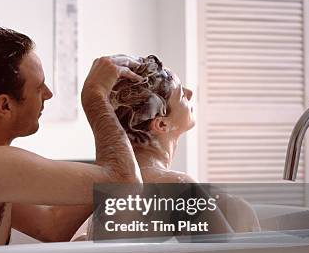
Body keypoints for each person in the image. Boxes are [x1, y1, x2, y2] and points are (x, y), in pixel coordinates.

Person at [0, 27, 143, 246]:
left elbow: (51, 227)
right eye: (39, 88)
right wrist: (95, 98)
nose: (48, 95)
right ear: (4, 106)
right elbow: (126, 184)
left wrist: (121, 138)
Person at [74, 54, 261, 241]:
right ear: (161, 124)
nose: (190, 93)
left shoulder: (105, 192)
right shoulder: (176, 187)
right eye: (180, 94)